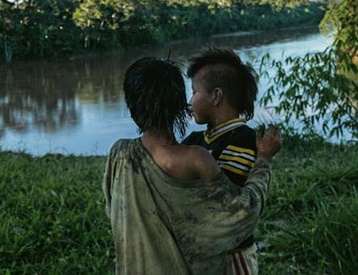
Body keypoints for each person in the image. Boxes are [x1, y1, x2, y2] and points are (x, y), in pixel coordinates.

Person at [103, 57, 282, 275]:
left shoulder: (119, 153)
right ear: (179, 106)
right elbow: (240, 213)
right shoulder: (197, 156)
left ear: (132, 109)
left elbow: (113, 210)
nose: (191, 101)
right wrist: (264, 160)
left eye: (194, 93)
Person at [182, 47, 261, 275]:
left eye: (194, 92)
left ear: (216, 96)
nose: (189, 102)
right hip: (202, 251)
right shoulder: (195, 139)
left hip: (232, 256)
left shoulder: (243, 138)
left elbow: (224, 197)